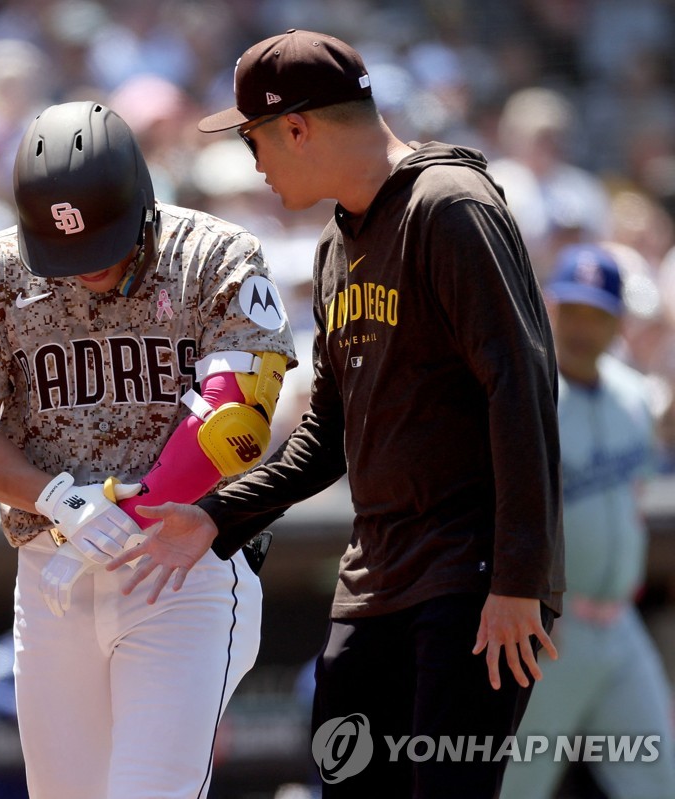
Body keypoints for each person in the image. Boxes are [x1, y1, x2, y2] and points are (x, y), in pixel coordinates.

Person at [109, 30, 564, 798]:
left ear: (296, 127)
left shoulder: (448, 207)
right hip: (377, 580)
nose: (254, 162)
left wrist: (519, 577)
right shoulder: (335, 245)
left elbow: (520, 389)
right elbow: (328, 433)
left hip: (471, 578)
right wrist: (218, 516)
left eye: (254, 139)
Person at [0, 100, 297, 798]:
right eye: (65, 248)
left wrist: (138, 508)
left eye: (100, 242)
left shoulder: (214, 253)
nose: (84, 266)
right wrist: (56, 499)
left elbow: (239, 412)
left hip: (184, 563)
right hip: (53, 566)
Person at [501, 244, 675, 799]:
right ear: (551, 308)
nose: (582, 327)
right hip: (553, 628)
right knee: (516, 785)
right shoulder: (530, 396)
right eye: (573, 310)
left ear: (617, 323)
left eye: (596, 315)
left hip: (621, 626)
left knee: (657, 779)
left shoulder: (634, 399)